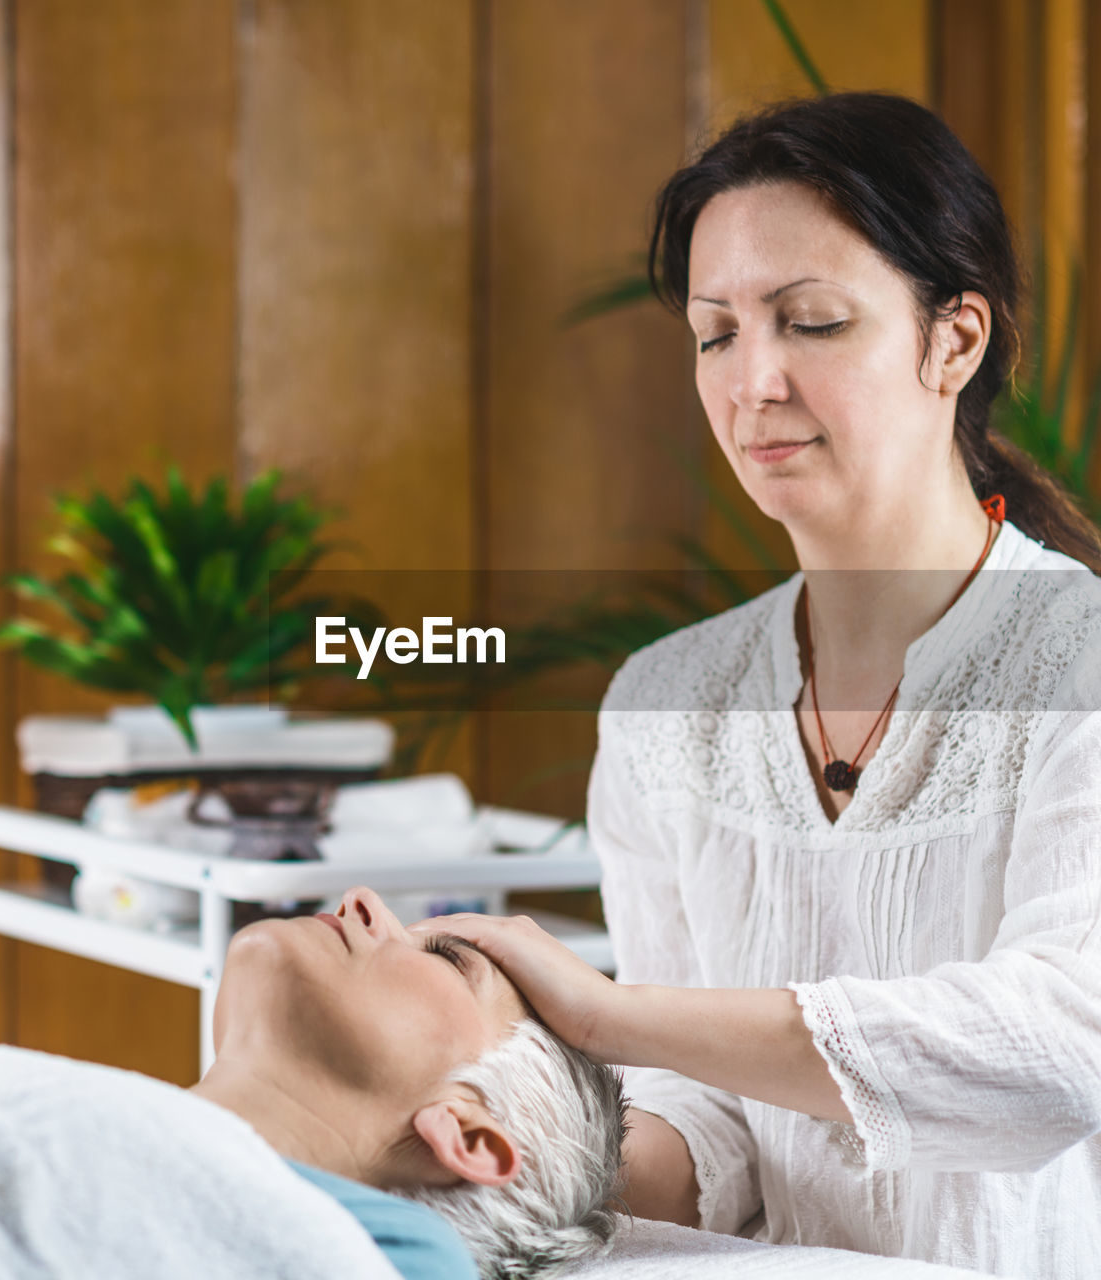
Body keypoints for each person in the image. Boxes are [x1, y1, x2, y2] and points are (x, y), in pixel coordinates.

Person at [414, 91, 1101, 1278]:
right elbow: (704, 1112)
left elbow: (1059, 1047)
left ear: (955, 339)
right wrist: (502, 1164)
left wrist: (604, 1014)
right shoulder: (661, 702)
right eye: (715, 331)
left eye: (811, 321)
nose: (752, 381)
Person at [0, 886, 626, 1280]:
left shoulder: (383, 1255)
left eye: (445, 959)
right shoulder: (53, 1105)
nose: (363, 901)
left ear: (468, 1137)